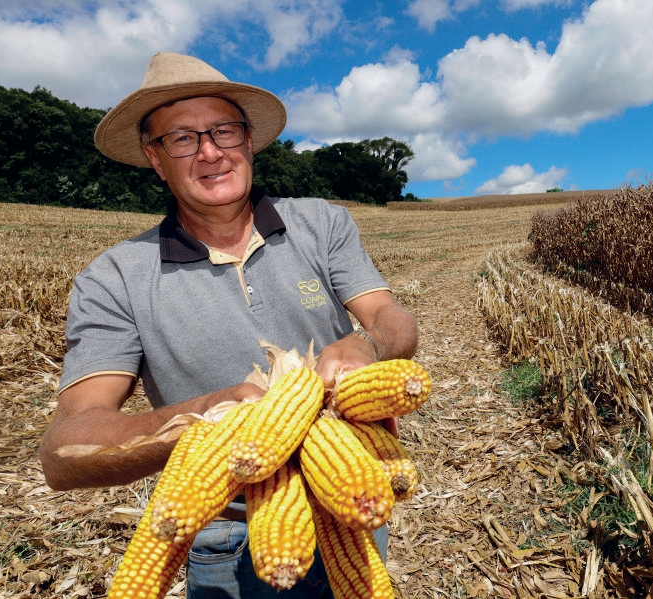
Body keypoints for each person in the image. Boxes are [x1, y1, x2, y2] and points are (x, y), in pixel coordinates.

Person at [38, 52, 418, 598]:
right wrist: (213, 417)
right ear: (154, 157)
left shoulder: (322, 222)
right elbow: (63, 450)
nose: (211, 151)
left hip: (349, 501)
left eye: (223, 131)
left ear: (248, 141)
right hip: (227, 534)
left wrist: (368, 343)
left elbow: (390, 317)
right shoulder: (114, 277)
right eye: (182, 138)